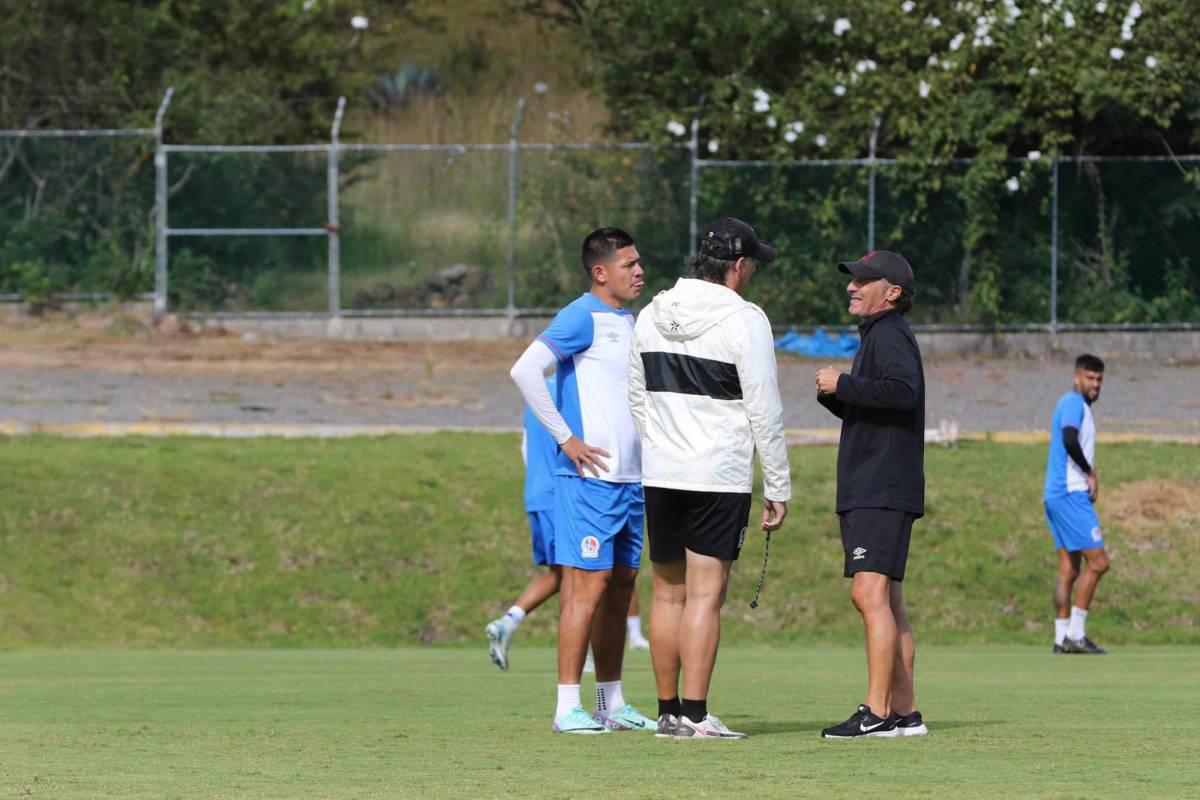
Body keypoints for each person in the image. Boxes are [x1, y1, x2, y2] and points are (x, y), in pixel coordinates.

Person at [628, 218, 791, 740]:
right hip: (717, 473)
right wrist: (778, 485)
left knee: (666, 595)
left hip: (662, 471)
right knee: (704, 596)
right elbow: (764, 409)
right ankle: (697, 716)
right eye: (752, 266)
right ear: (738, 266)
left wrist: (661, 446)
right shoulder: (746, 320)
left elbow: (637, 397)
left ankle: (667, 713)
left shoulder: (651, 313)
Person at [509, 226, 654, 734]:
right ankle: (566, 707)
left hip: (631, 481)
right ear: (600, 272)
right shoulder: (580, 315)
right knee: (586, 589)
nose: (639, 271)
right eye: (628, 264)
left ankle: (609, 702)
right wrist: (566, 438)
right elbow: (525, 371)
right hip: (589, 481)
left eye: (638, 262)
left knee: (620, 588)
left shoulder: (629, 321)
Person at [815, 250, 928, 739]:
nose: (852, 286)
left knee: (867, 594)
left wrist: (844, 383)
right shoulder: (879, 335)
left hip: (880, 487)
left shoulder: (889, 333)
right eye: (852, 279)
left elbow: (905, 392)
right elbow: (885, 408)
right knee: (888, 601)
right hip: (883, 484)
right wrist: (839, 396)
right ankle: (905, 712)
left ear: (892, 292)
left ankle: (876, 712)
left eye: (864, 280)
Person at [486, 376, 650, 672]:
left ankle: (511, 622)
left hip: (536, 492)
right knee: (575, 575)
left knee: (565, 574)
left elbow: (526, 448)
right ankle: (573, 654)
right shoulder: (577, 389)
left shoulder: (537, 394)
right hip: (564, 491)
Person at [1044, 354, 1110, 655]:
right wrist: (1089, 472)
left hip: (1055, 494)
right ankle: (1076, 634)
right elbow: (1070, 439)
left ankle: (1060, 638)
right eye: (1090, 378)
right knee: (1098, 562)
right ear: (1076, 377)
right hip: (1070, 493)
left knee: (1069, 568)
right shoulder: (1073, 403)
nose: (1095, 384)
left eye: (1099, 379)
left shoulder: (1073, 404)